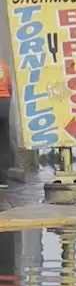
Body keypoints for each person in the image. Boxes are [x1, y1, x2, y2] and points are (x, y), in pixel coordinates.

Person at [0, 59, 11, 189]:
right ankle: (2, 180)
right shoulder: (3, 65)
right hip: (4, 102)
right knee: (3, 142)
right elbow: (10, 87)